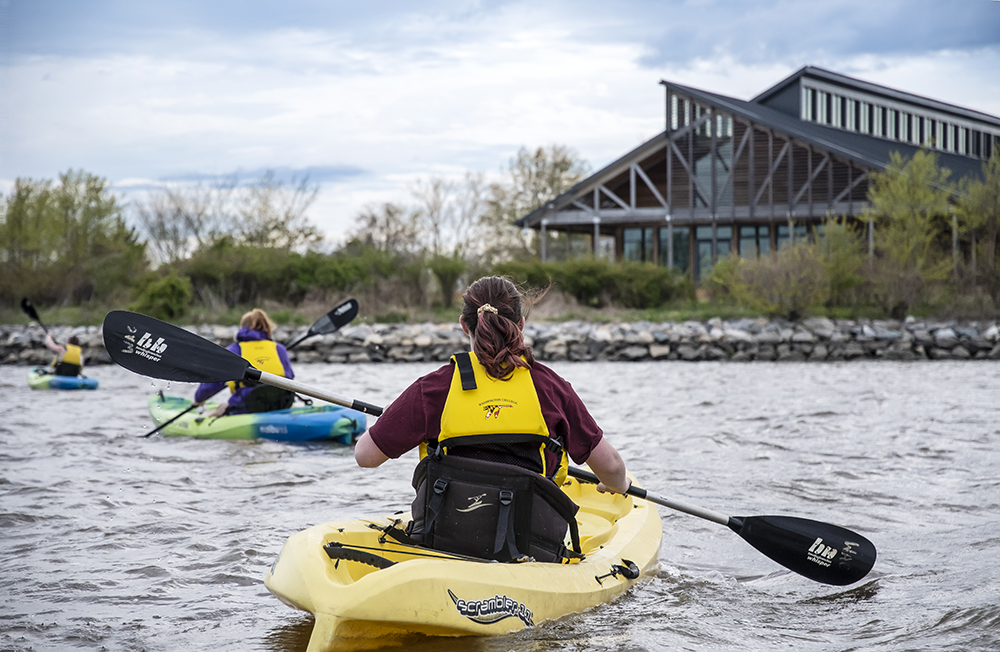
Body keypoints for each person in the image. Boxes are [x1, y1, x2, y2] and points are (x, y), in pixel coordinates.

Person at [354, 276, 630, 563]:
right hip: (530, 549)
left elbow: (365, 456)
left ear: (464, 324)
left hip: (446, 542)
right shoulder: (550, 387)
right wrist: (617, 486)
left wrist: (391, 418)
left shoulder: (434, 389)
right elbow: (610, 465)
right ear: (521, 324)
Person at [193, 308, 295, 417]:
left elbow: (213, 383)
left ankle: (213, 413)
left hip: (245, 406)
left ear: (242, 328)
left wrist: (198, 400)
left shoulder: (234, 350)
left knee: (217, 410)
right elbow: (289, 378)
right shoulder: (279, 349)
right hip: (280, 403)